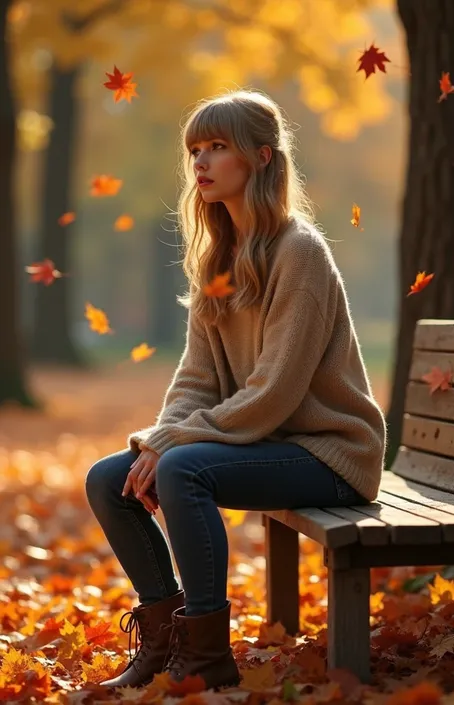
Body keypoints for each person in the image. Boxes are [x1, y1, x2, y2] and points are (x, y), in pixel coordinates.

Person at [85, 88, 386, 692]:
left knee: (184, 469)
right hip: (269, 441)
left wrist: (174, 444)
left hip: (329, 452)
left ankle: (206, 657)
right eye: (195, 148)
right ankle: (167, 636)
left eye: (218, 147)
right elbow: (195, 378)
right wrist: (158, 440)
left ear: (263, 158)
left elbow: (274, 392)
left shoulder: (299, 252)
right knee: (106, 479)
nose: (201, 161)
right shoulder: (218, 259)